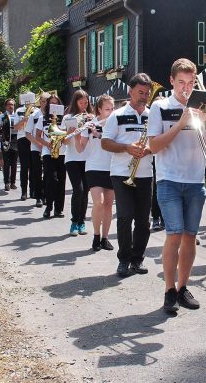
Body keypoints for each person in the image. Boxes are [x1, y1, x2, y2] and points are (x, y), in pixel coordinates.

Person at [148, 58, 206, 312]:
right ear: (172, 81)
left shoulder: (201, 106)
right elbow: (153, 146)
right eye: (181, 82)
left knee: (190, 237)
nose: (186, 88)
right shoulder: (160, 107)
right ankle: (169, 291)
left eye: (191, 82)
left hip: (195, 180)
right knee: (174, 234)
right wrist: (181, 123)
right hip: (169, 179)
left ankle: (183, 287)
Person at [102, 73, 153, 277]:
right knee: (125, 216)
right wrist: (126, 147)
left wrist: (149, 149)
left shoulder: (153, 114)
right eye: (140, 92)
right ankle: (123, 260)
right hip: (122, 172)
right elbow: (105, 142)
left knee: (143, 220)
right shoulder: (117, 115)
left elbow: (158, 141)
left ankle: (137, 259)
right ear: (130, 91)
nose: (144, 97)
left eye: (147, 93)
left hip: (145, 173)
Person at [76, 94, 115, 251]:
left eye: (112, 109)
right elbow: (80, 149)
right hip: (94, 166)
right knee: (97, 202)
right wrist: (77, 133)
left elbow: (116, 143)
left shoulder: (115, 123)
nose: (111, 112)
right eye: (107, 109)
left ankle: (105, 238)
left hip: (112, 167)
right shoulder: (91, 123)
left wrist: (100, 135)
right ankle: (96, 235)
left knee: (108, 204)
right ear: (99, 109)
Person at [63, 90, 93, 236]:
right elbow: (64, 141)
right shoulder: (68, 117)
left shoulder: (90, 118)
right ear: (75, 102)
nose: (83, 105)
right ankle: (74, 221)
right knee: (78, 189)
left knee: (86, 191)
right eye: (81, 103)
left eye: (86, 102)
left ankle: (82, 222)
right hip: (72, 159)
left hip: (87, 158)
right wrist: (71, 133)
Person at [35, 94, 66, 219]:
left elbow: (68, 133)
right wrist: (46, 143)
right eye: (52, 103)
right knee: (50, 180)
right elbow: (37, 136)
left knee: (61, 181)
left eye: (56, 103)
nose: (54, 106)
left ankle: (59, 209)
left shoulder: (64, 118)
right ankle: (48, 207)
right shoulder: (43, 118)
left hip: (62, 152)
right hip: (48, 152)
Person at [25, 94, 48, 208]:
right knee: (37, 173)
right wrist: (37, 143)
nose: (45, 104)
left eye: (47, 101)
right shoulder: (34, 115)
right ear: (40, 103)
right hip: (36, 148)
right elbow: (27, 133)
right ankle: (38, 197)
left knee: (48, 173)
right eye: (43, 101)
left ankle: (45, 195)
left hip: (48, 148)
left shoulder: (52, 115)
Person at [14, 98, 35, 201]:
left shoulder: (36, 111)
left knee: (33, 166)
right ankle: (24, 191)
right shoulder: (19, 111)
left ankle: (32, 190)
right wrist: (24, 120)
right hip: (22, 138)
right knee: (24, 166)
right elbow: (15, 127)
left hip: (33, 139)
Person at [0, 99, 18, 192]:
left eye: (12, 104)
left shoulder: (17, 115)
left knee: (14, 163)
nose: (11, 106)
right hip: (6, 141)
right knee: (6, 163)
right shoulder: (2, 116)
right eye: (9, 104)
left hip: (15, 140)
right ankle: (6, 182)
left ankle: (13, 182)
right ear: (6, 106)